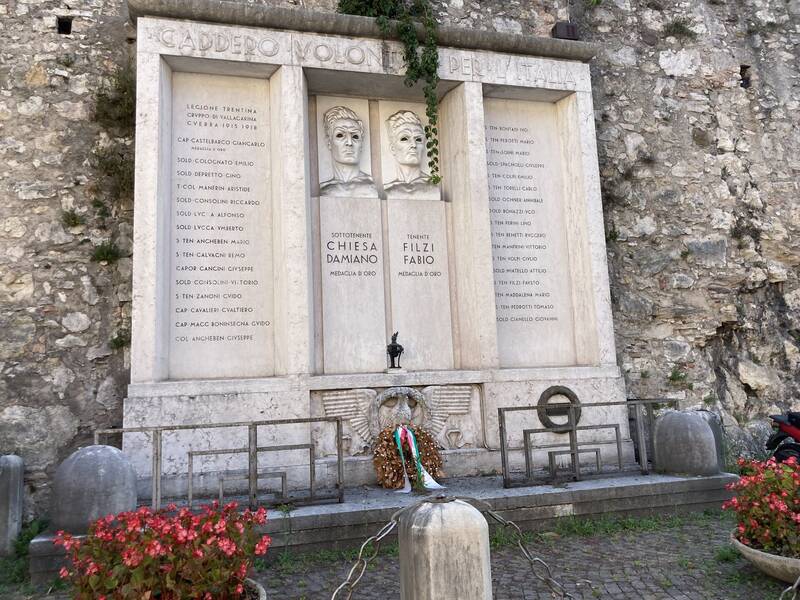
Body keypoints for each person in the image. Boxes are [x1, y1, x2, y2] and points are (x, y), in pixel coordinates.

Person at [319, 106, 377, 198]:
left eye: (355, 136)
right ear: (329, 142)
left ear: (361, 144)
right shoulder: (324, 189)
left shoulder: (371, 187)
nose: (349, 142)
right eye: (340, 135)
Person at [383, 110, 439, 199]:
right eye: (405, 138)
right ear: (393, 148)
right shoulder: (388, 189)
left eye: (418, 139)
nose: (414, 145)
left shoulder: (433, 187)